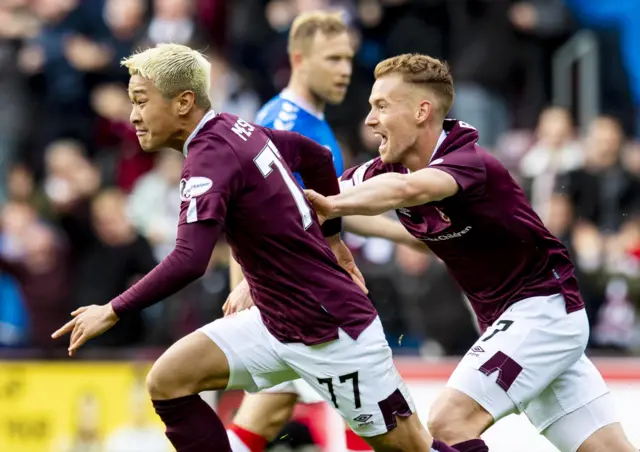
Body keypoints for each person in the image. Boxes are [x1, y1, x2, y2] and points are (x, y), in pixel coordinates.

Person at [51, 44, 457, 452]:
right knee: (168, 379)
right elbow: (314, 155)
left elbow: (190, 261)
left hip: (331, 332)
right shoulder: (233, 128)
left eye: (141, 101)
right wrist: (333, 240)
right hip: (274, 321)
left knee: (412, 449)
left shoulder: (209, 158)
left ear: (184, 102)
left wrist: (112, 309)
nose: (134, 115)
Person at [304, 53, 637, 452]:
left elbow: (402, 193)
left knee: (449, 420)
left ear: (422, 111)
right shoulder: (388, 170)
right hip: (516, 324)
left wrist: (335, 207)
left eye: (381, 107)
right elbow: (330, 196)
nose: (369, 120)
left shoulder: (468, 162)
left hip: (543, 313)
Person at [224, 11, 424, 452]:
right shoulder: (281, 122)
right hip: (302, 294)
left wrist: (406, 235)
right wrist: (248, 285)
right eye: (332, 59)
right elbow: (251, 211)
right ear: (299, 58)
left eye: (348, 59)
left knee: (271, 409)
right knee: (373, 411)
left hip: (303, 288)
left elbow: (325, 208)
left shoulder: (315, 124)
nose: (345, 70)